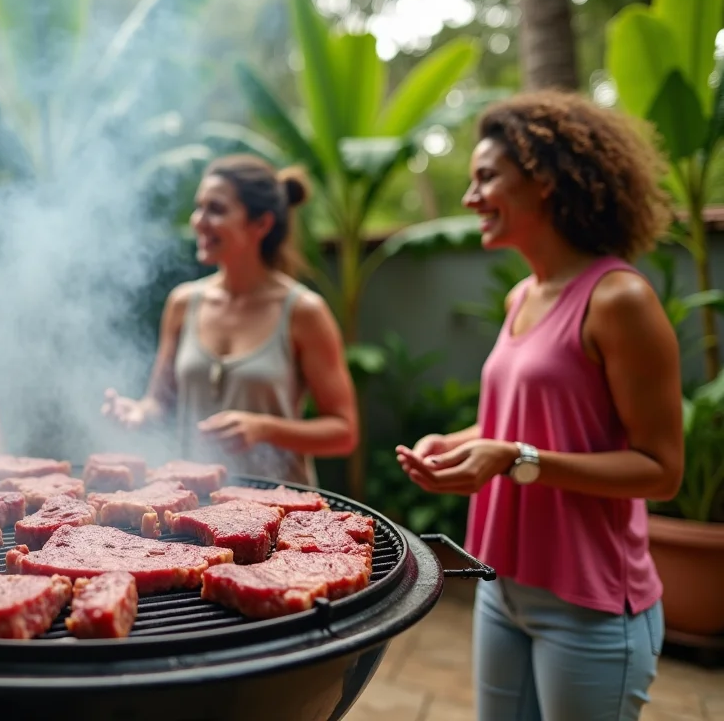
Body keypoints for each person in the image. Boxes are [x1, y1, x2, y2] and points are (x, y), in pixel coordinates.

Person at [395, 89, 682, 721]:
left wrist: (512, 458)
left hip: (592, 605)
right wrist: (460, 442)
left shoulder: (618, 299)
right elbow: (519, 427)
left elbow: (660, 469)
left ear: (545, 180)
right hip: (502, 586)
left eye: (486, 178)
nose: (470, 200)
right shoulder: (521, 295)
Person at [101, 154, 358, 485]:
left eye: (216, 209)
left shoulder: (303, 312)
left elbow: (344, 431)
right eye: (199, 207)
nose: (198, 221)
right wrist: (136, 412)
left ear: (261, 224)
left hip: (281, 512)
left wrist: (265, 428)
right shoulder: (183, 303)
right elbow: (158, 402)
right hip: (194, 509)